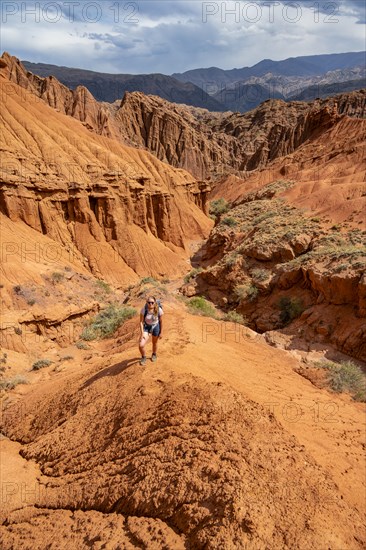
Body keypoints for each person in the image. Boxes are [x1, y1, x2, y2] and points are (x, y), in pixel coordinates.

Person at [139, 296, 163, 365]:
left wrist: (161, 332)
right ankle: (143, 357)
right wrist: (142, 334)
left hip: (156, 326)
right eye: (149, 302)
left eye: (152, 302)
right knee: (141, 345)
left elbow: (161, 321)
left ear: (155, 302)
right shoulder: (144, 310)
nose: (150, 304)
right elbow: (141, 322)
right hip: (147, 327)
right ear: (146, 303)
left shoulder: (159, 310)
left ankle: (154, 354)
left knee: (154, 342)